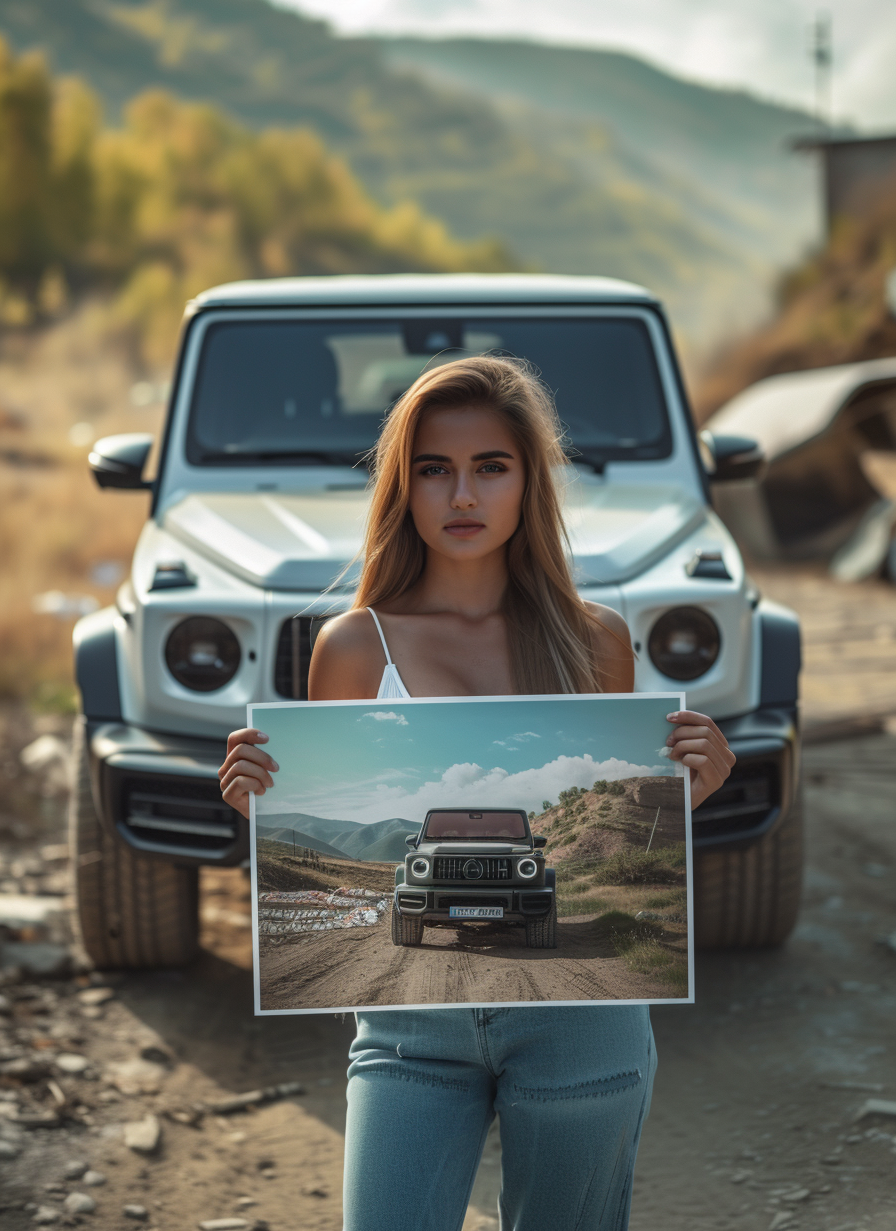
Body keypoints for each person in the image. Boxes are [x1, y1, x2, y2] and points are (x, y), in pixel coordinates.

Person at [218, 355, 734, 1231]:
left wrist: (690, 792)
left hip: (584, 1020)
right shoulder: (352, 647)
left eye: (490, 466)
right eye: (434, 469)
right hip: (409, 1029)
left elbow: (626, 815)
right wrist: (260, 802)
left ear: (527, 481)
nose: (463, 494)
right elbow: (305, 806)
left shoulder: (595, 641)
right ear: (404, 488)